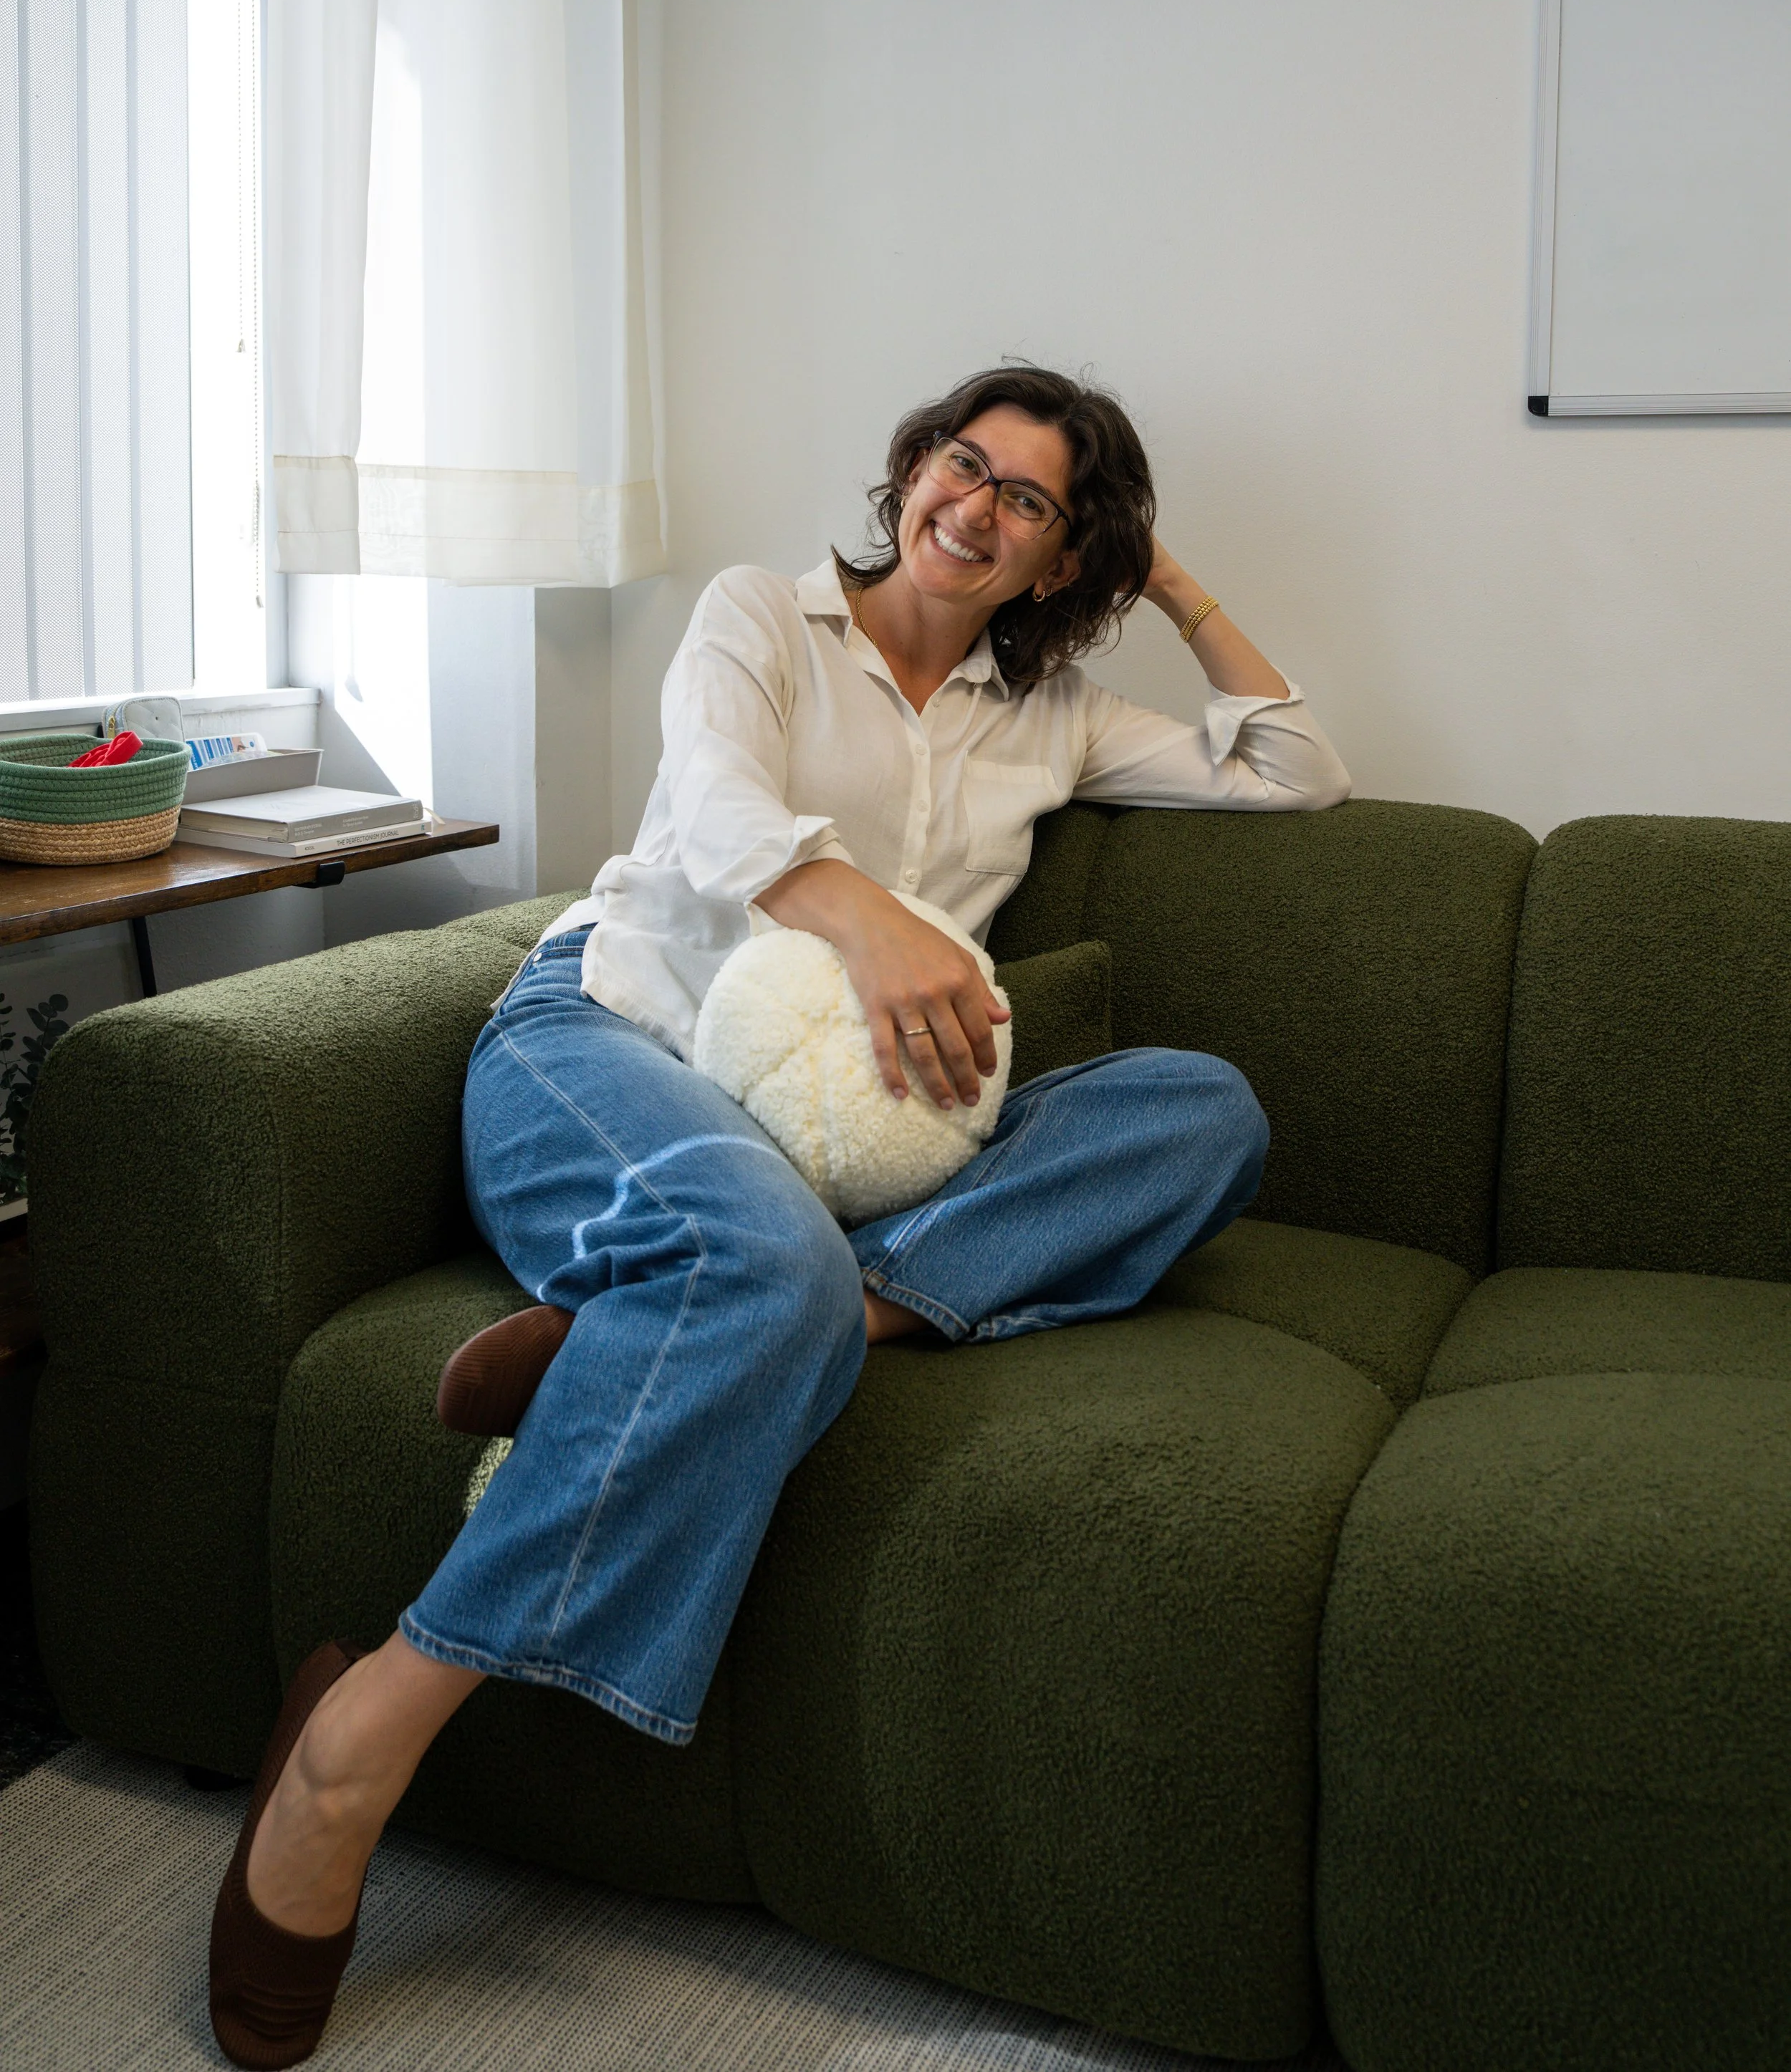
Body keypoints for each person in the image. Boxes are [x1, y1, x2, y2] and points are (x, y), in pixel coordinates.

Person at [208, 365, 1350, 2065]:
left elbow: (1298, 770)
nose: (973, 506)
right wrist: (868, 923)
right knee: (756, 1258)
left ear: (1057, 558)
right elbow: (724, 804)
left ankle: (749, 1315)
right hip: (614, 1042)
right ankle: (362, 1730)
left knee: (1198, 1111)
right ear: (909, 471)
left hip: (848, 1155)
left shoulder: (1048, 714)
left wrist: (1163, 582)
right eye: (962, 465)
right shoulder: (758, 614)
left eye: (1028, 502)